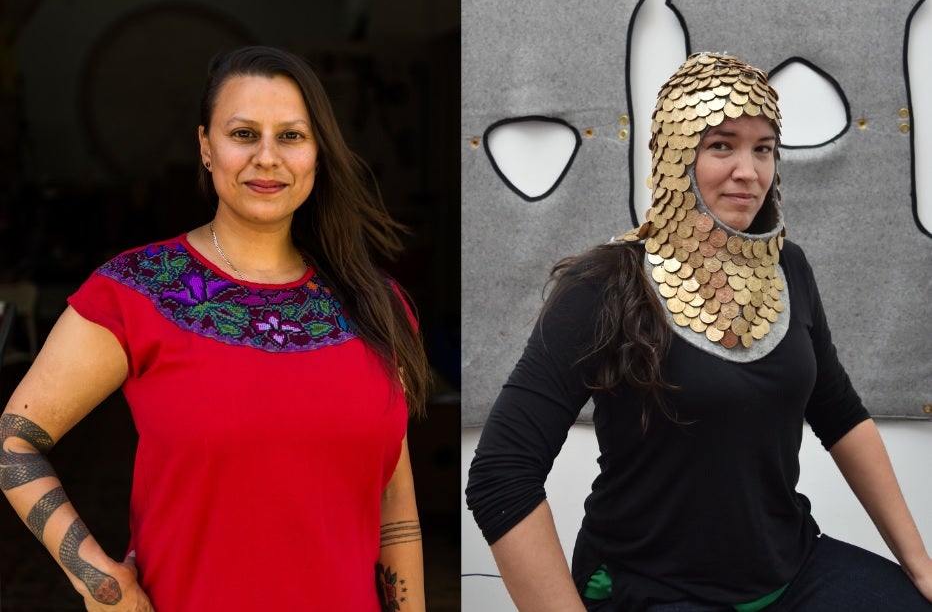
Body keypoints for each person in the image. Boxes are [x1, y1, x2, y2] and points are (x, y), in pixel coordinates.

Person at [466, 52, 932, 611]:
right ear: (673, 157)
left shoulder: (791, 268)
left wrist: (920, 565)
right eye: (721, 145)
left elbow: (841, 415)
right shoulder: (605, 283)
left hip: (792, 571)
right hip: (652, 589)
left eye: (763, 148)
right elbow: (501, 473)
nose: (749, 170)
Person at [0, 46, 429, 611]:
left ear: (318, 152)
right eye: (244, 134)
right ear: (206, 146)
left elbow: (394, 505)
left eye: (292, 136)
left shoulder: (379, 305)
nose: (267, 157)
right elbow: (15, 444)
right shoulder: (136, 288)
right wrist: (98, 580)